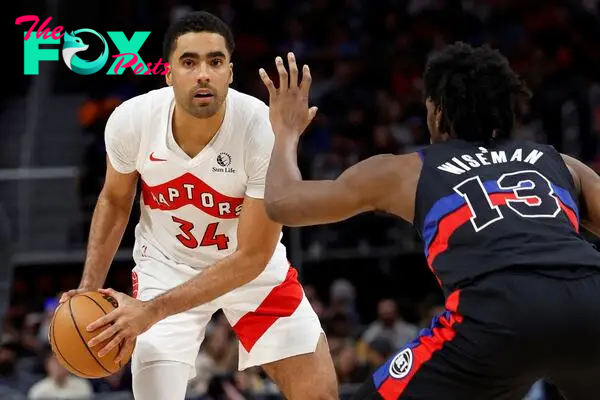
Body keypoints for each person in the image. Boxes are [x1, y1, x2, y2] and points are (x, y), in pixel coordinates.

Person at [258, 44, 600, 399]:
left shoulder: (408, 170)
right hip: (591, 298)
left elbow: (283, 203)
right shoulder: (559, 162)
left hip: (498, 312)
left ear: (436, 113)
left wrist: (285, 131)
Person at [59, 11, 337, 400]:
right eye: (189, 62)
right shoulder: (132, 121)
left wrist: (151, 311)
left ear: (230, 73)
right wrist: (88, 288)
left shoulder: (261, 129)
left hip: (251, 274)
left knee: (319, 394)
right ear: (168, 73)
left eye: (215, 61)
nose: (203, 73)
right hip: (167, 269)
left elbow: (253, 256)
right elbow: (115, 199)